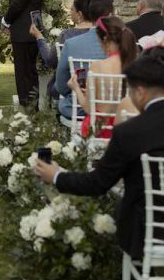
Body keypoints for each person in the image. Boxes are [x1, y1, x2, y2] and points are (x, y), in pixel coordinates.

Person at [35, 47, 164, 262]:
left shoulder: (129, 132)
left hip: (149, 235)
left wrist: (56, 175)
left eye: (130, 91)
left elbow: (98, 183)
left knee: (127, 202)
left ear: (140, 92)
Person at [67, 16, 137, 137]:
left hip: (99, 129)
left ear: (105, 39)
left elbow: (89, 109)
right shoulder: (135, 64)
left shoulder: (98, 66)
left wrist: (76, 89)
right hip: (127, 130)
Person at [1, 0, 46, 107]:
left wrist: (6, 21)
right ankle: (29, 114)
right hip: (26, 28)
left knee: (25, 74)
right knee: (26, 73)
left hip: (26, 29)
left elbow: (18, 3)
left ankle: (29, 116)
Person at [54, 0, 114, 118]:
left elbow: (61, 84)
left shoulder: (71, 44)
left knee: (63, 103)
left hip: (78, 108)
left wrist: (74, 92)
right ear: (112, 16)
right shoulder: (124, 44)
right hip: (114, 108)